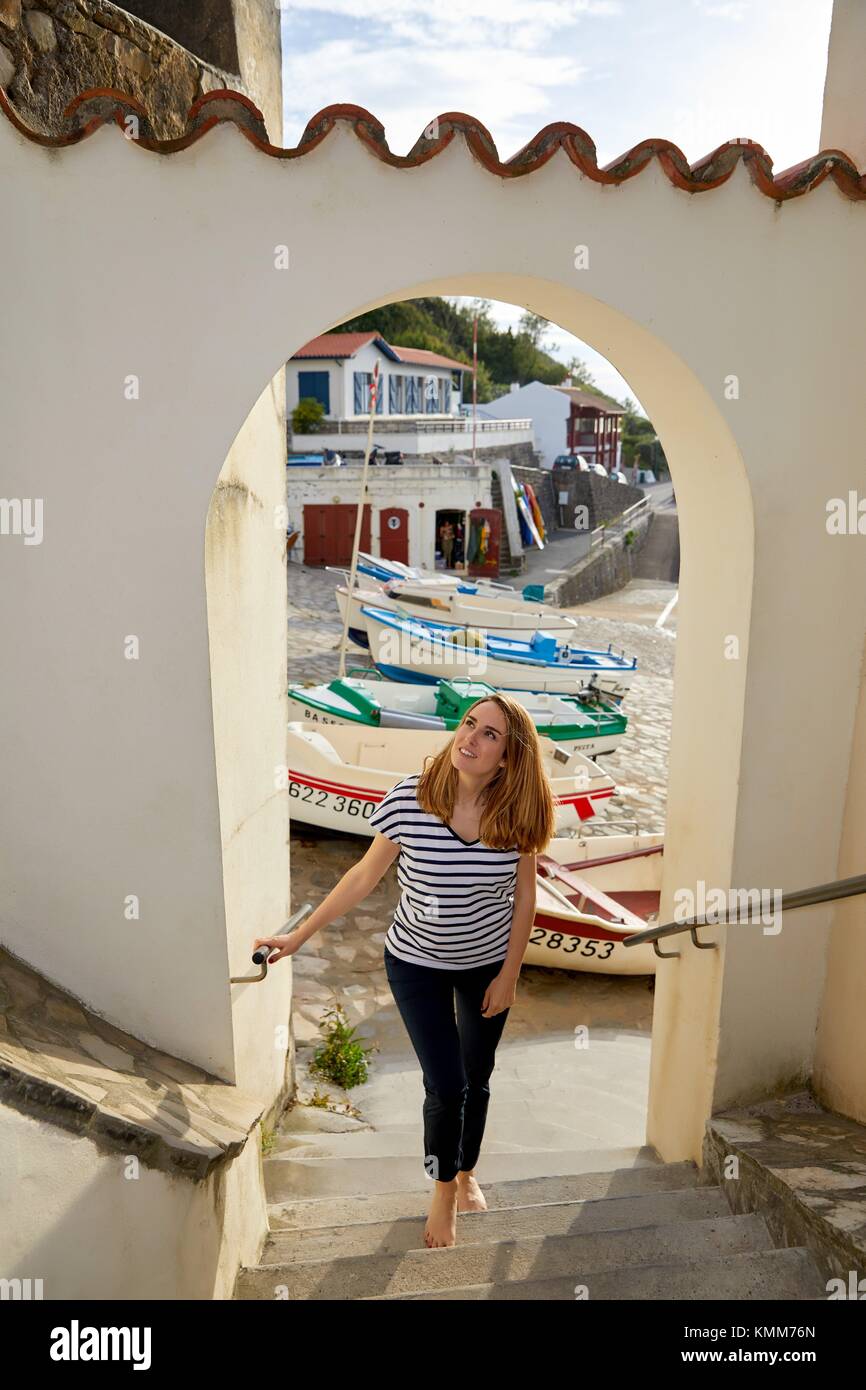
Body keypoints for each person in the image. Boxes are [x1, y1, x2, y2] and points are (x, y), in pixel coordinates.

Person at [253, 694, 556, 1250]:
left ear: (510, 756)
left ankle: (466, 1170)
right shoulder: (409, 800)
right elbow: (363, 877)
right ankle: (443, 1190)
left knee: (477, 1077)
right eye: (469, 724)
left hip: (486, 964)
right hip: (416, 963)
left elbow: (525, 898)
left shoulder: (517, 815)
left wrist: (510, 974)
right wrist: (299, 936)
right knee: (446, 1085)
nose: (470, 737)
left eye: (490, 734)